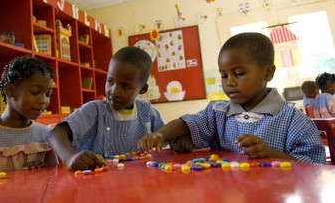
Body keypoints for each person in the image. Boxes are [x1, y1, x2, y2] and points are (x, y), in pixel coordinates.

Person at [138, 32, 326, 164]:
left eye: (238, 73)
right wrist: (162, 134)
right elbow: (187, 123)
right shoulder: (218, 112)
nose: (230, 83)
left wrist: (272, 154)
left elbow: (313, 165)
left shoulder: (293, 119)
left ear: (268, 73)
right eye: (224, 75)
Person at [48, 46, 165, 171]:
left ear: (142, 89)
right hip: (96, 183)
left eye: (125, 86)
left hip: (138, 183)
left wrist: (179, 141)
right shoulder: (94, 111)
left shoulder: (146, 111)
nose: (114, 91)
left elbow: (167, 135)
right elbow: (55, 134)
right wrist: (70, 157)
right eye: (110, 82)